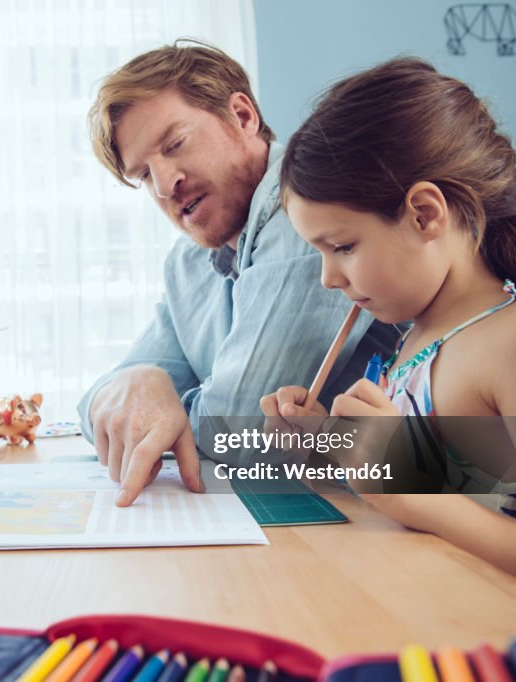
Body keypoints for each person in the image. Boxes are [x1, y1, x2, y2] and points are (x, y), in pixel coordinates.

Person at [261, 57, 516, 619]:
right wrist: (323, 448)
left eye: (343, 247)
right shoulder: (415, 340)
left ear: (425, 214)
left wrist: (413, 490)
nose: (329, 278)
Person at [78, 40, 399, 506]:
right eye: (144, 176)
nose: (166, 185)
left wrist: (158, 411)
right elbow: (101, 412)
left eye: (175, 144)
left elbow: (244, 429)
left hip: (390, 519)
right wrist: (137, 381)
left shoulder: (311, 213)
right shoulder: (188, 262)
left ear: (243, 117)